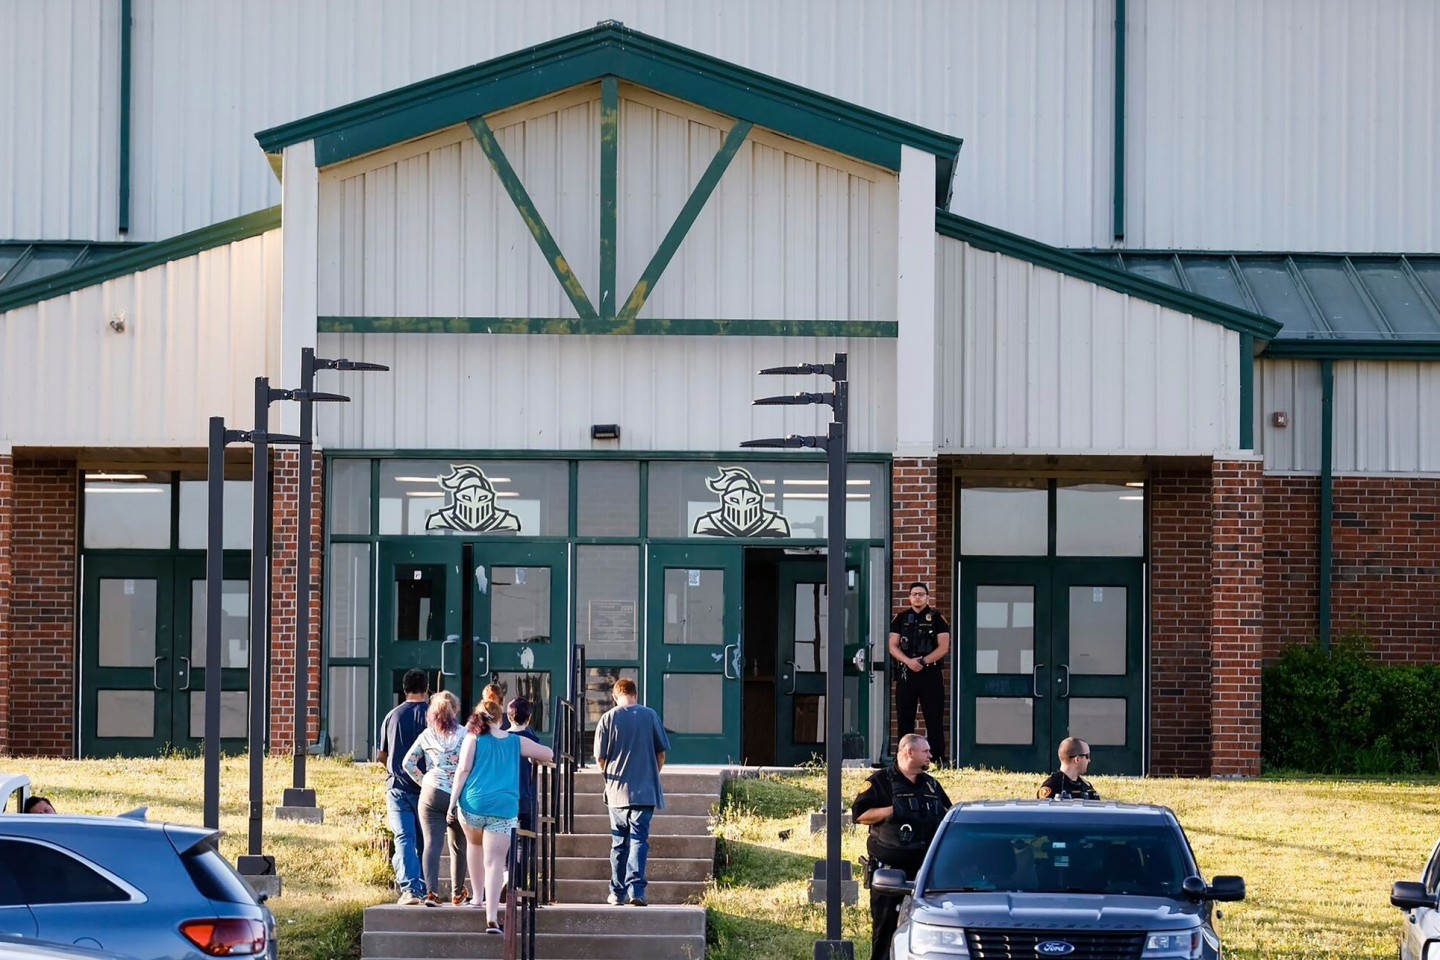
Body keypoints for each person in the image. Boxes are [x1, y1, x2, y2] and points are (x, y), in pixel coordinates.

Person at [449, 699, 553, 935]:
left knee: (474, 846)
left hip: (473, 804)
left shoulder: (473, 738)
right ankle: (492, 916)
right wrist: (536, 758)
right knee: (495, 862)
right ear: (501, 718)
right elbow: (548, 753)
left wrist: (452, 803)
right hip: (504, 808)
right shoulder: (516, 741)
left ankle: (477, 897)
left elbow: (463, 770)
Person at [852, 734, 951, 960]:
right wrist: (893, 810)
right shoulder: (881, 781)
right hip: (890, 873)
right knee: (885, 932)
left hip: (926, 872)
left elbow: (948, 815)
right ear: (909, 753)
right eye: (926, 751)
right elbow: (860, 815)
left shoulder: (931, 784)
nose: (930, 755)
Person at [593, 677, 670, 907]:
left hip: (617, 792)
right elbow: (661, 754)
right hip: (645, 791)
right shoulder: (650, 715)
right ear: (635, 695)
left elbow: (600, 758)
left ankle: (617, 893)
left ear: (615, 697)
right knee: (639, 840)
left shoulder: (608, 718)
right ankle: (636, 890)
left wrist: (609, 779)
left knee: (619, 842)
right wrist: (652, 774)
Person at [402, 689, 469, 906]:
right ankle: (458, 894)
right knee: (458, 844)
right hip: (458, 795)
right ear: (455, 710)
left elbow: (407, 763)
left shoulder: (426, 735)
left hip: (431, 793)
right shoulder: (465, 734)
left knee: (431, 843)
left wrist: (425, 782)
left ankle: (431, 893)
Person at [376, 668, 430, 905]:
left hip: (397, 787)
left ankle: (410, 889)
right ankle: (428, 888)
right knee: (425, 839)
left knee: (404, 837)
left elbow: (381, 754)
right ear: (427, 689)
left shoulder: (392, 716)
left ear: (404, 689)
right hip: (428, 788)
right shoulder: (434, 716)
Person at [888, 582, 951, 763]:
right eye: (914, 594)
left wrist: (923, 661)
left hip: (929, 673)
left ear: (927, 597)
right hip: (907, 673)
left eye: (921, 594)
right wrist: (909, 662)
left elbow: (944, 647)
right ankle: (902, 761)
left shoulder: (937, 618)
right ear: (909, 597)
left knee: (934, 717)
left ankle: (937, 760)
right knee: (904, 718)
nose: (917, 597)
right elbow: (892, 645)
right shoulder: (900, 618)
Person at [506, 697, 542, 835]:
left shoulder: (502, 738)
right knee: (527, 838)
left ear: (508, 717)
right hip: (526, 795)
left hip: (505, 796)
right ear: (529, 718)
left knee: (505, 839)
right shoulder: (533, 740)